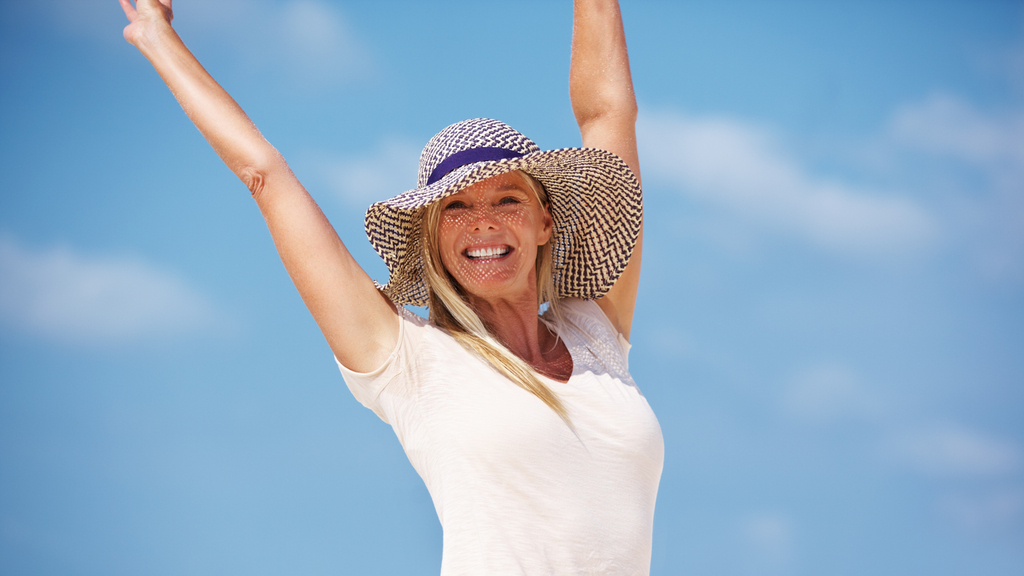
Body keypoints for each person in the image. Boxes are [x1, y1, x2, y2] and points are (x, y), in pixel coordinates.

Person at [119, 0, 663, 574]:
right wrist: (157, 37)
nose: (484, 220)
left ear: (544, 220)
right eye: (455, 206)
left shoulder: (594, 330)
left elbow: (607, 114)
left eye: (508, 199)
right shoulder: (409, 358)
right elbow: (264, 175)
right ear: (429, 238)